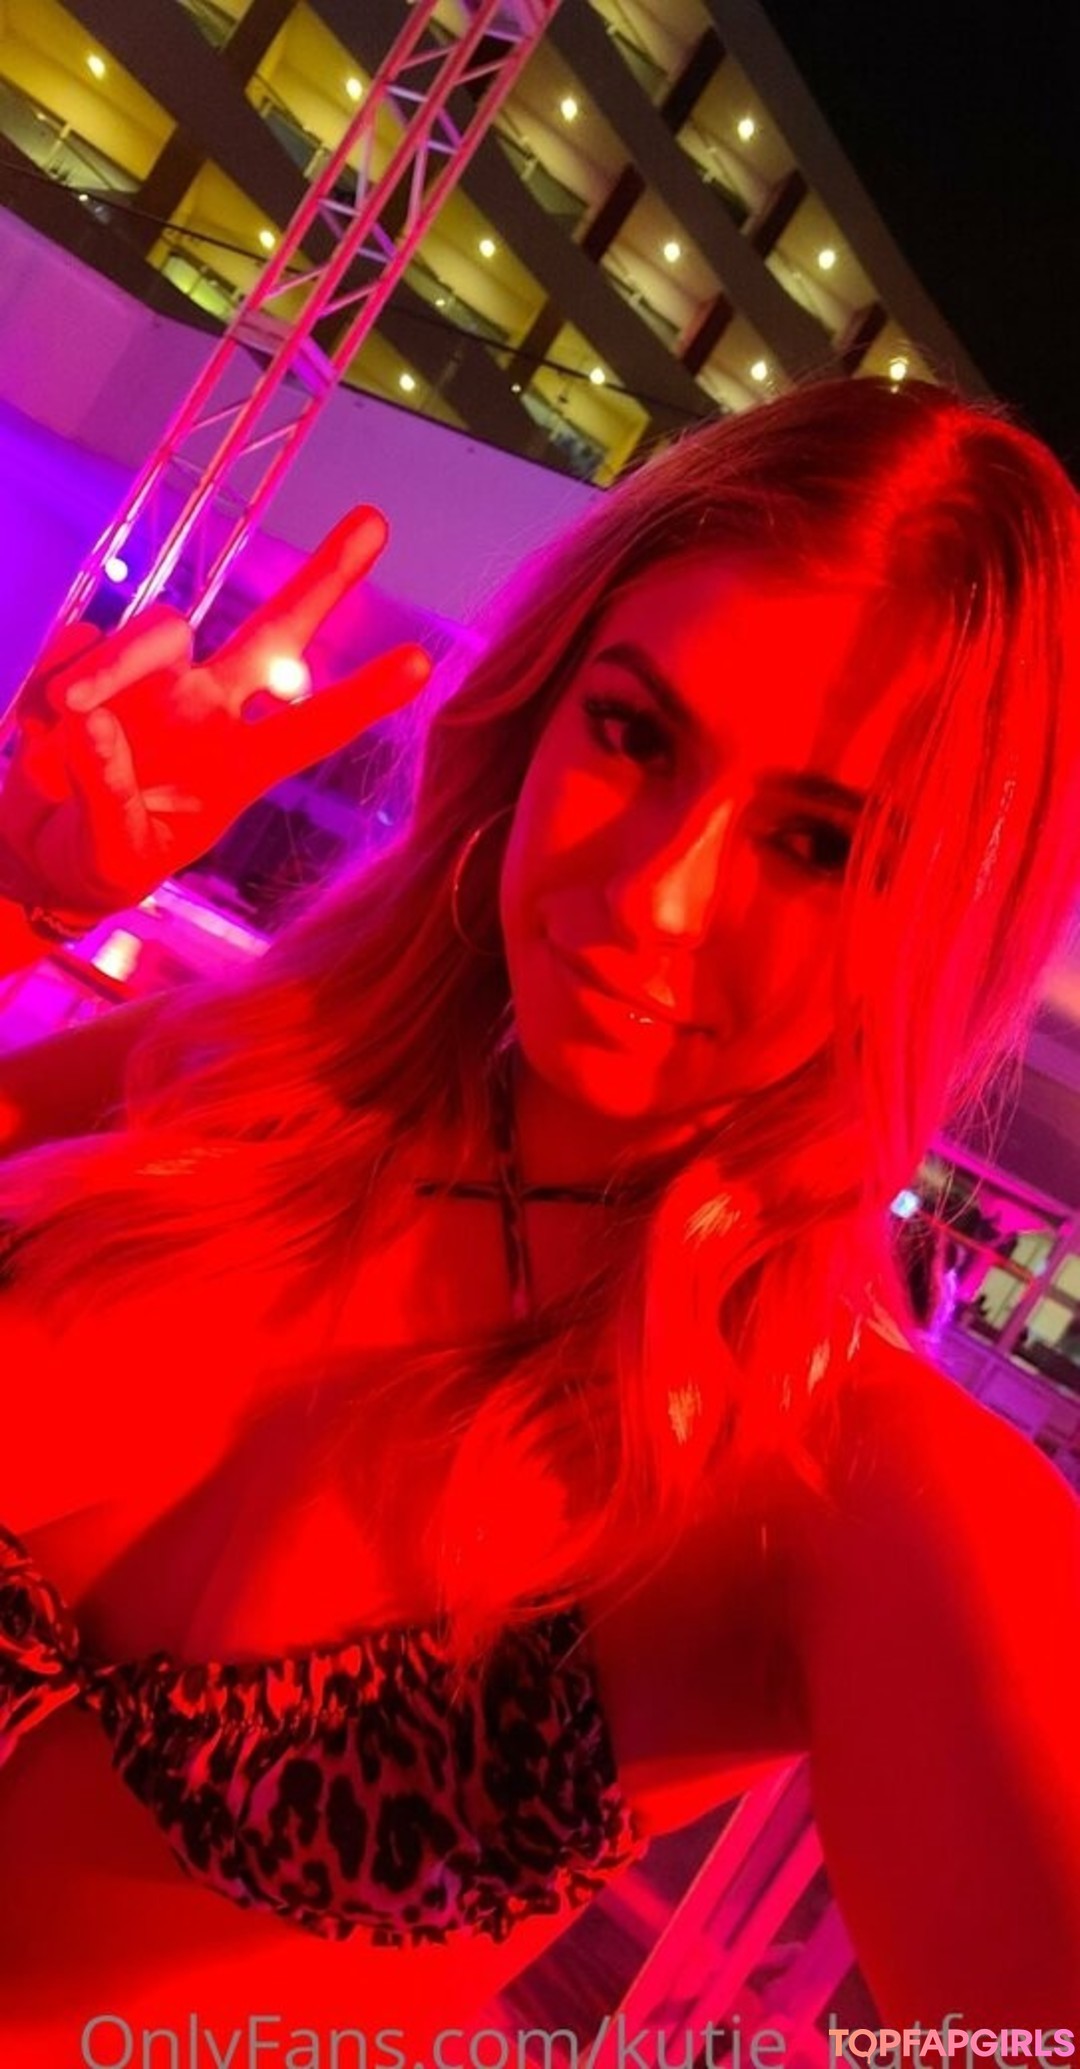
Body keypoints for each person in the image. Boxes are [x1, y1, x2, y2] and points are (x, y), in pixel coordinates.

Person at [0, 377, 1078, 2063]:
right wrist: (20, 892)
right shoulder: (231, 1074)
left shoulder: (834, 1479)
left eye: (815, 843)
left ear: (941, 922)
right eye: (637, 737)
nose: (654, 893)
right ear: (543, 704)